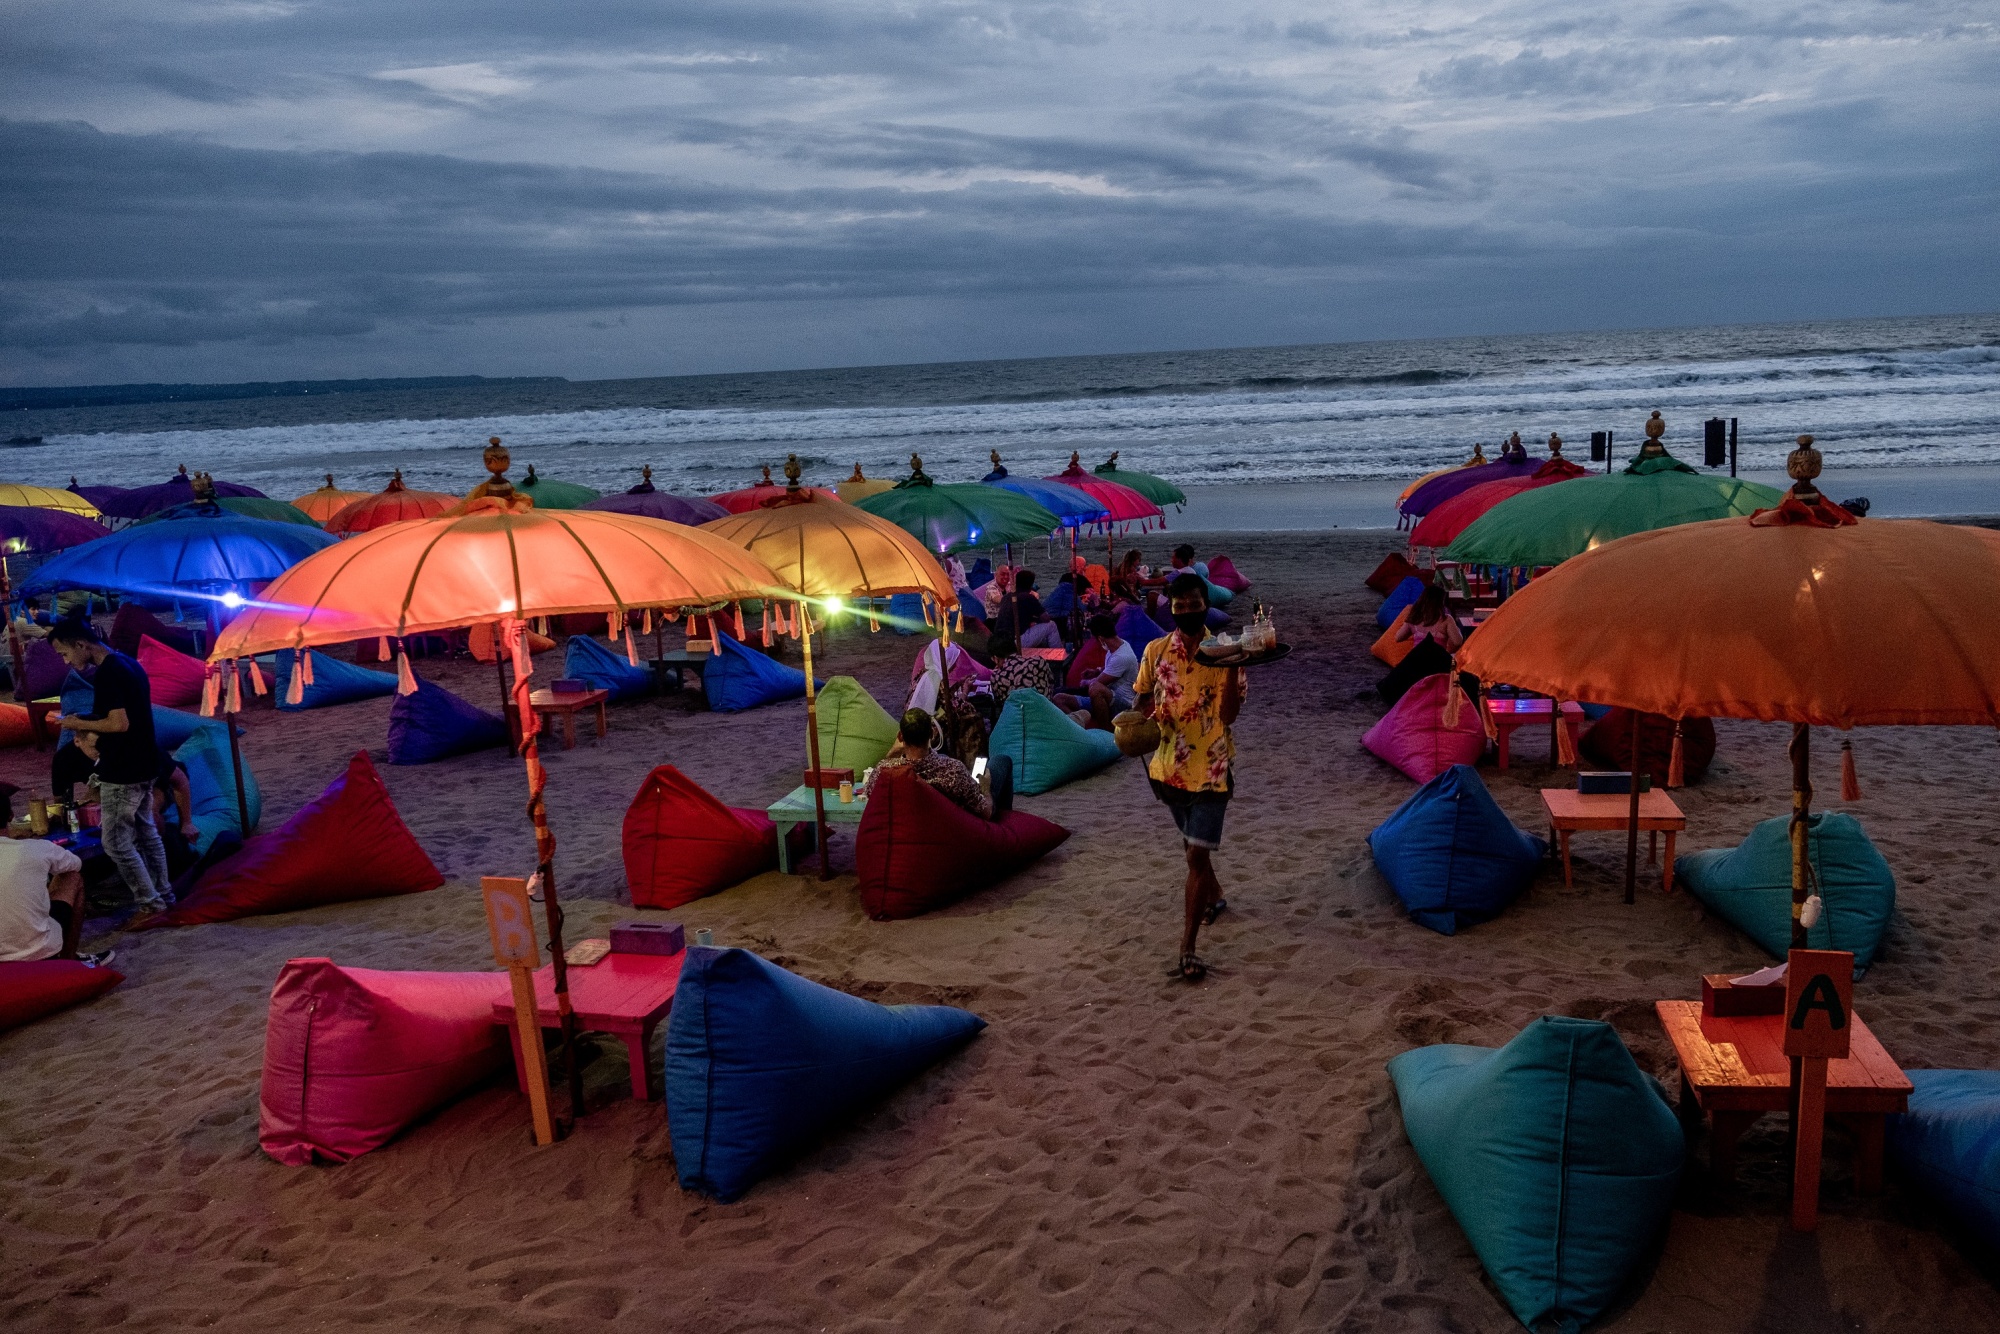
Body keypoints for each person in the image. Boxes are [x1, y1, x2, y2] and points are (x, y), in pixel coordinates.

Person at [1133, 573, 1246, 982]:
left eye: (1193, 603)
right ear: (1172, 609)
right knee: (1191, 846)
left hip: (1213, 767)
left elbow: (1230, 715)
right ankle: (1214, 897)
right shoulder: (1155, 650)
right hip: (1167, 766)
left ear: (1205, 604)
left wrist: (1234, 668)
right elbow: (1143, 698)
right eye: (1179, 606)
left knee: (1197, 856)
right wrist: (1136, 723)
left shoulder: (1225, 651)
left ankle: (1187, 946)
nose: (1187, 611)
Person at [47, 619, 172, 916]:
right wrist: (85, 716)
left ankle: (150, 903)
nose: (66, 661)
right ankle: (165, 895)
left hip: (122, 768)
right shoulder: (129, 663)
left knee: (116, 843)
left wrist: (74, 723)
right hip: (146, 762)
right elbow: (126, 714)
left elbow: (118, 723)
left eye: (65, 654)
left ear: (81, 644)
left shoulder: (107, 674)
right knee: (147, 833)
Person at [53, 731, 200, 875]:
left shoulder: (135, 746)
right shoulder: (64, 759)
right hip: (110, 785)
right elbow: (61, 804)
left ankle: (163, 857)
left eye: (104, 746)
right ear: (78, 741)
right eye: (94, 747)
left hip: (156, 782)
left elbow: (179, 781)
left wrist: (186, 823)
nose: (101, 752)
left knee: (146, 813)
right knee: (96, 817)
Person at [864, 708, 992, 818]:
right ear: (932, 734)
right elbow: (986, 812)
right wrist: (986, 790)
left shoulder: (885, 771)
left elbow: (869, 792)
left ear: (900, 737)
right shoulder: (953, 770)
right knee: (1000, 764)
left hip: (907, 835)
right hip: (946, 836)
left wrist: (892, 752)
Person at [0, 834, 101, 965]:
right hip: (37, 949)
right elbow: (76, 864)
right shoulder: (35, 847)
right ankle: (68, 963)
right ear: (11, 817)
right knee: (73, 877)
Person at [1377, 584, 1462, 707]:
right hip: (1437, 664)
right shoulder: (1446, 619)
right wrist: (1449, 649)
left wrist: (1412, 627)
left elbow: (1398, 637)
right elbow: (1458, 641)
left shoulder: (1415, 617)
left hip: (1415, 665)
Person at [1056, 613, 1140, 730]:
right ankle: (1078, 728)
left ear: (1100, 638)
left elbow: (1097, 683)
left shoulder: (1122, 655)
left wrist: (1086, 682)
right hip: (1108, 698)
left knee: (1095, 688)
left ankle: (1104, 731)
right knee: (1059, 698)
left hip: (1122, 703)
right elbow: (1112, 670)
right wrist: (1096, 671)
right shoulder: (1118, 646)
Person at [994, 569, 1062, 649]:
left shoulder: (1006, 597)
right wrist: (1037, 619)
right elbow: (1046, 618)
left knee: (1034, 627)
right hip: (1015, 642)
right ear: (1031, 584)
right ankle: (1059, 654)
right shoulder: (1028, 597)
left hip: (999, 640)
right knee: (1051, 625)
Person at [985, 634, 1054, 709]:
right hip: (1047, 713)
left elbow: (1001, 705)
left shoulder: (997, 676)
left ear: (995, 658)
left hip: (1020, 719)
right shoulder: (1038, 661)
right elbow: (1051, 684)